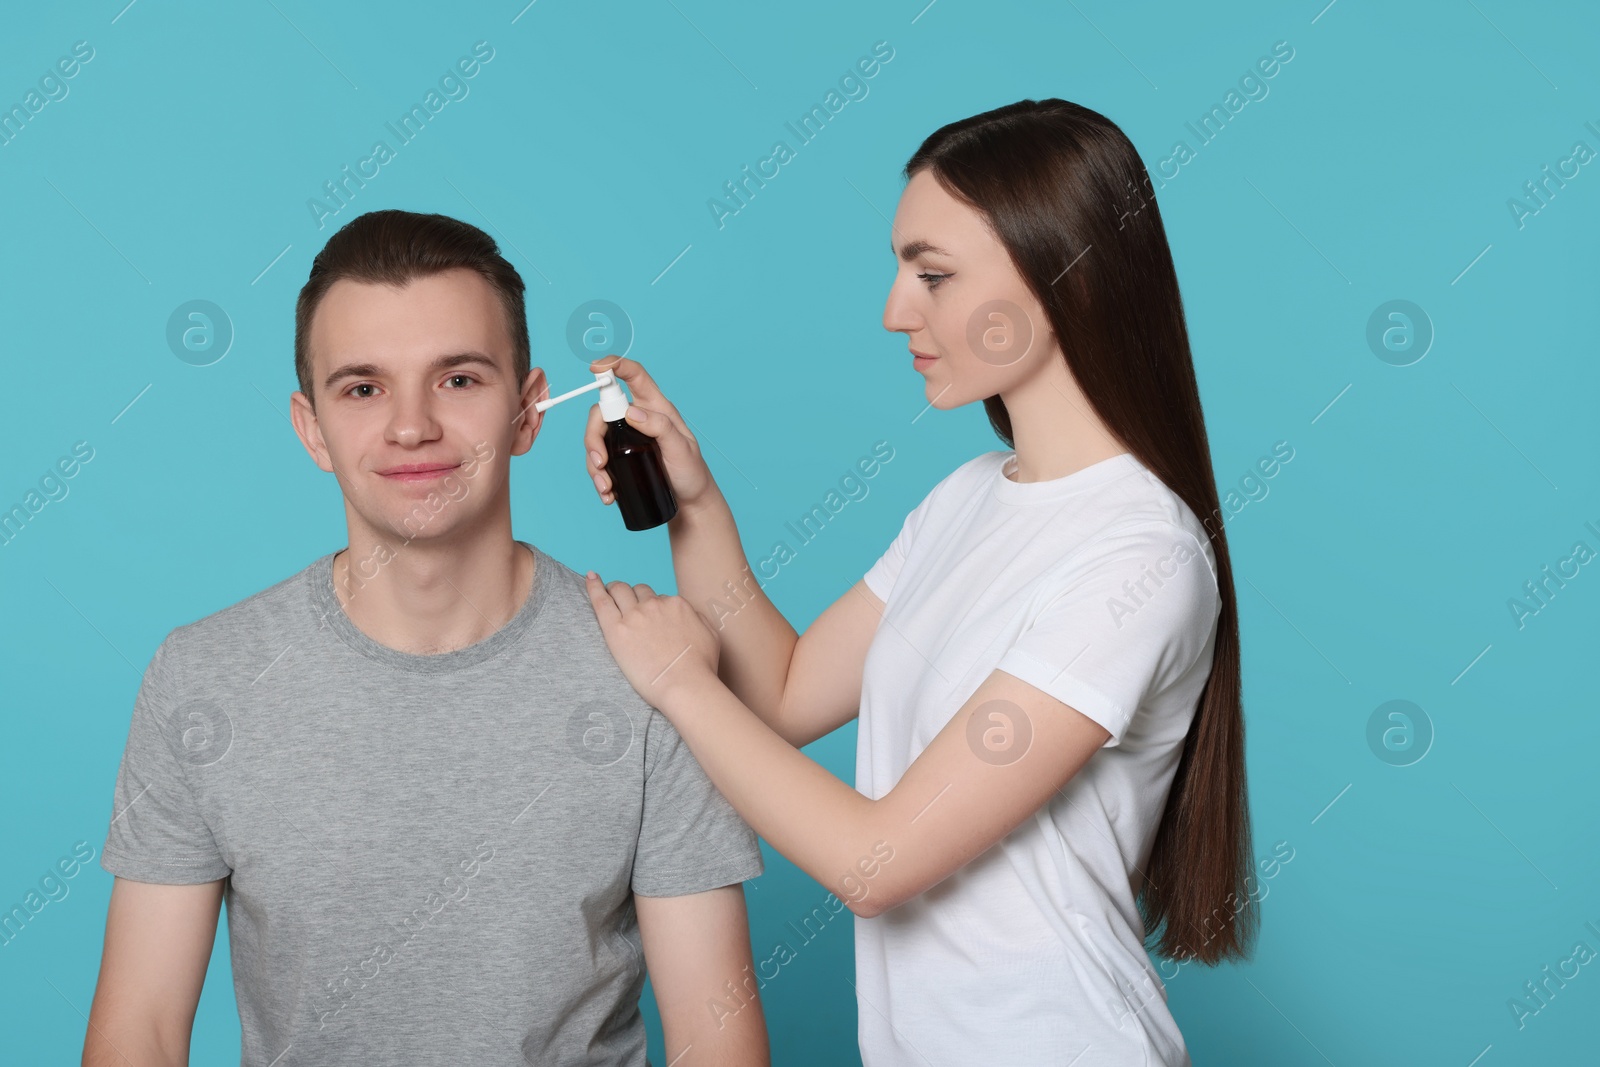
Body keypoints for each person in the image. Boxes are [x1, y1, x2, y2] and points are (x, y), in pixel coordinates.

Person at [581, 99, 1254, 1066]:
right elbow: (781, 692)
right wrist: (695, 503)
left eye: (932, 274)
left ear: (1062, 270)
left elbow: (876, 861)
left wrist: (679, 683)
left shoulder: (1140, 557)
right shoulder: (969, 498)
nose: (897, 309)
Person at [83, 210, 769, 1067]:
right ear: (311, 428)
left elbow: (719, 1043)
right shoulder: (204, 678)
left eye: (458, 380)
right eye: (363, 388)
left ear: (528, 413)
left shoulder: (657, 668)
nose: (412, 427)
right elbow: (138, 1032)